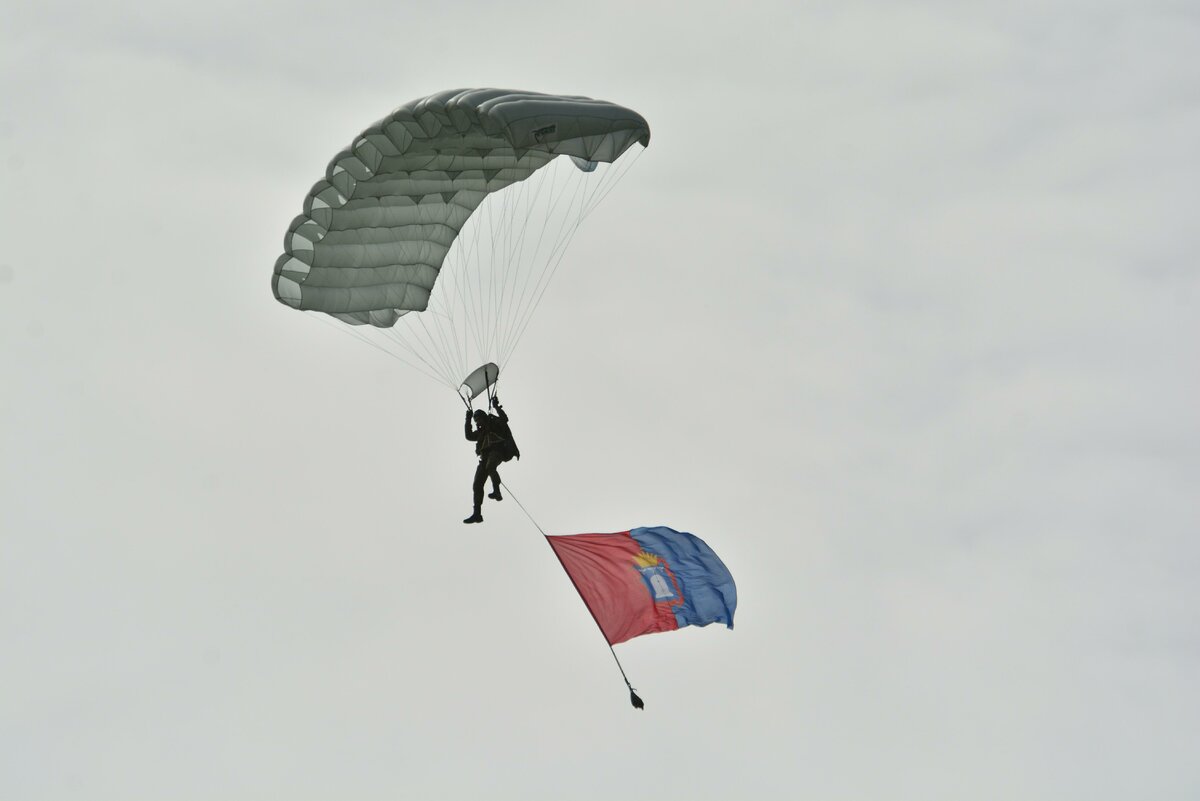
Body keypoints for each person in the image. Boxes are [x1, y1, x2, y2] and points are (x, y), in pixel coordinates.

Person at [463, 395, 520, 524]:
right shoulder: (480, 434)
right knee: (477, 484)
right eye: (475, 420)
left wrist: (495, 406)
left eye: (478, 419)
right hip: (484, 458)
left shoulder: (494, 423)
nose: (477, 422)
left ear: (484, 418)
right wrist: (468, 419)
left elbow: (505, 419)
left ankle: (497, 491)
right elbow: (468, 436)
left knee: (490, 467)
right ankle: (477, 514)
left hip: (497, 451)